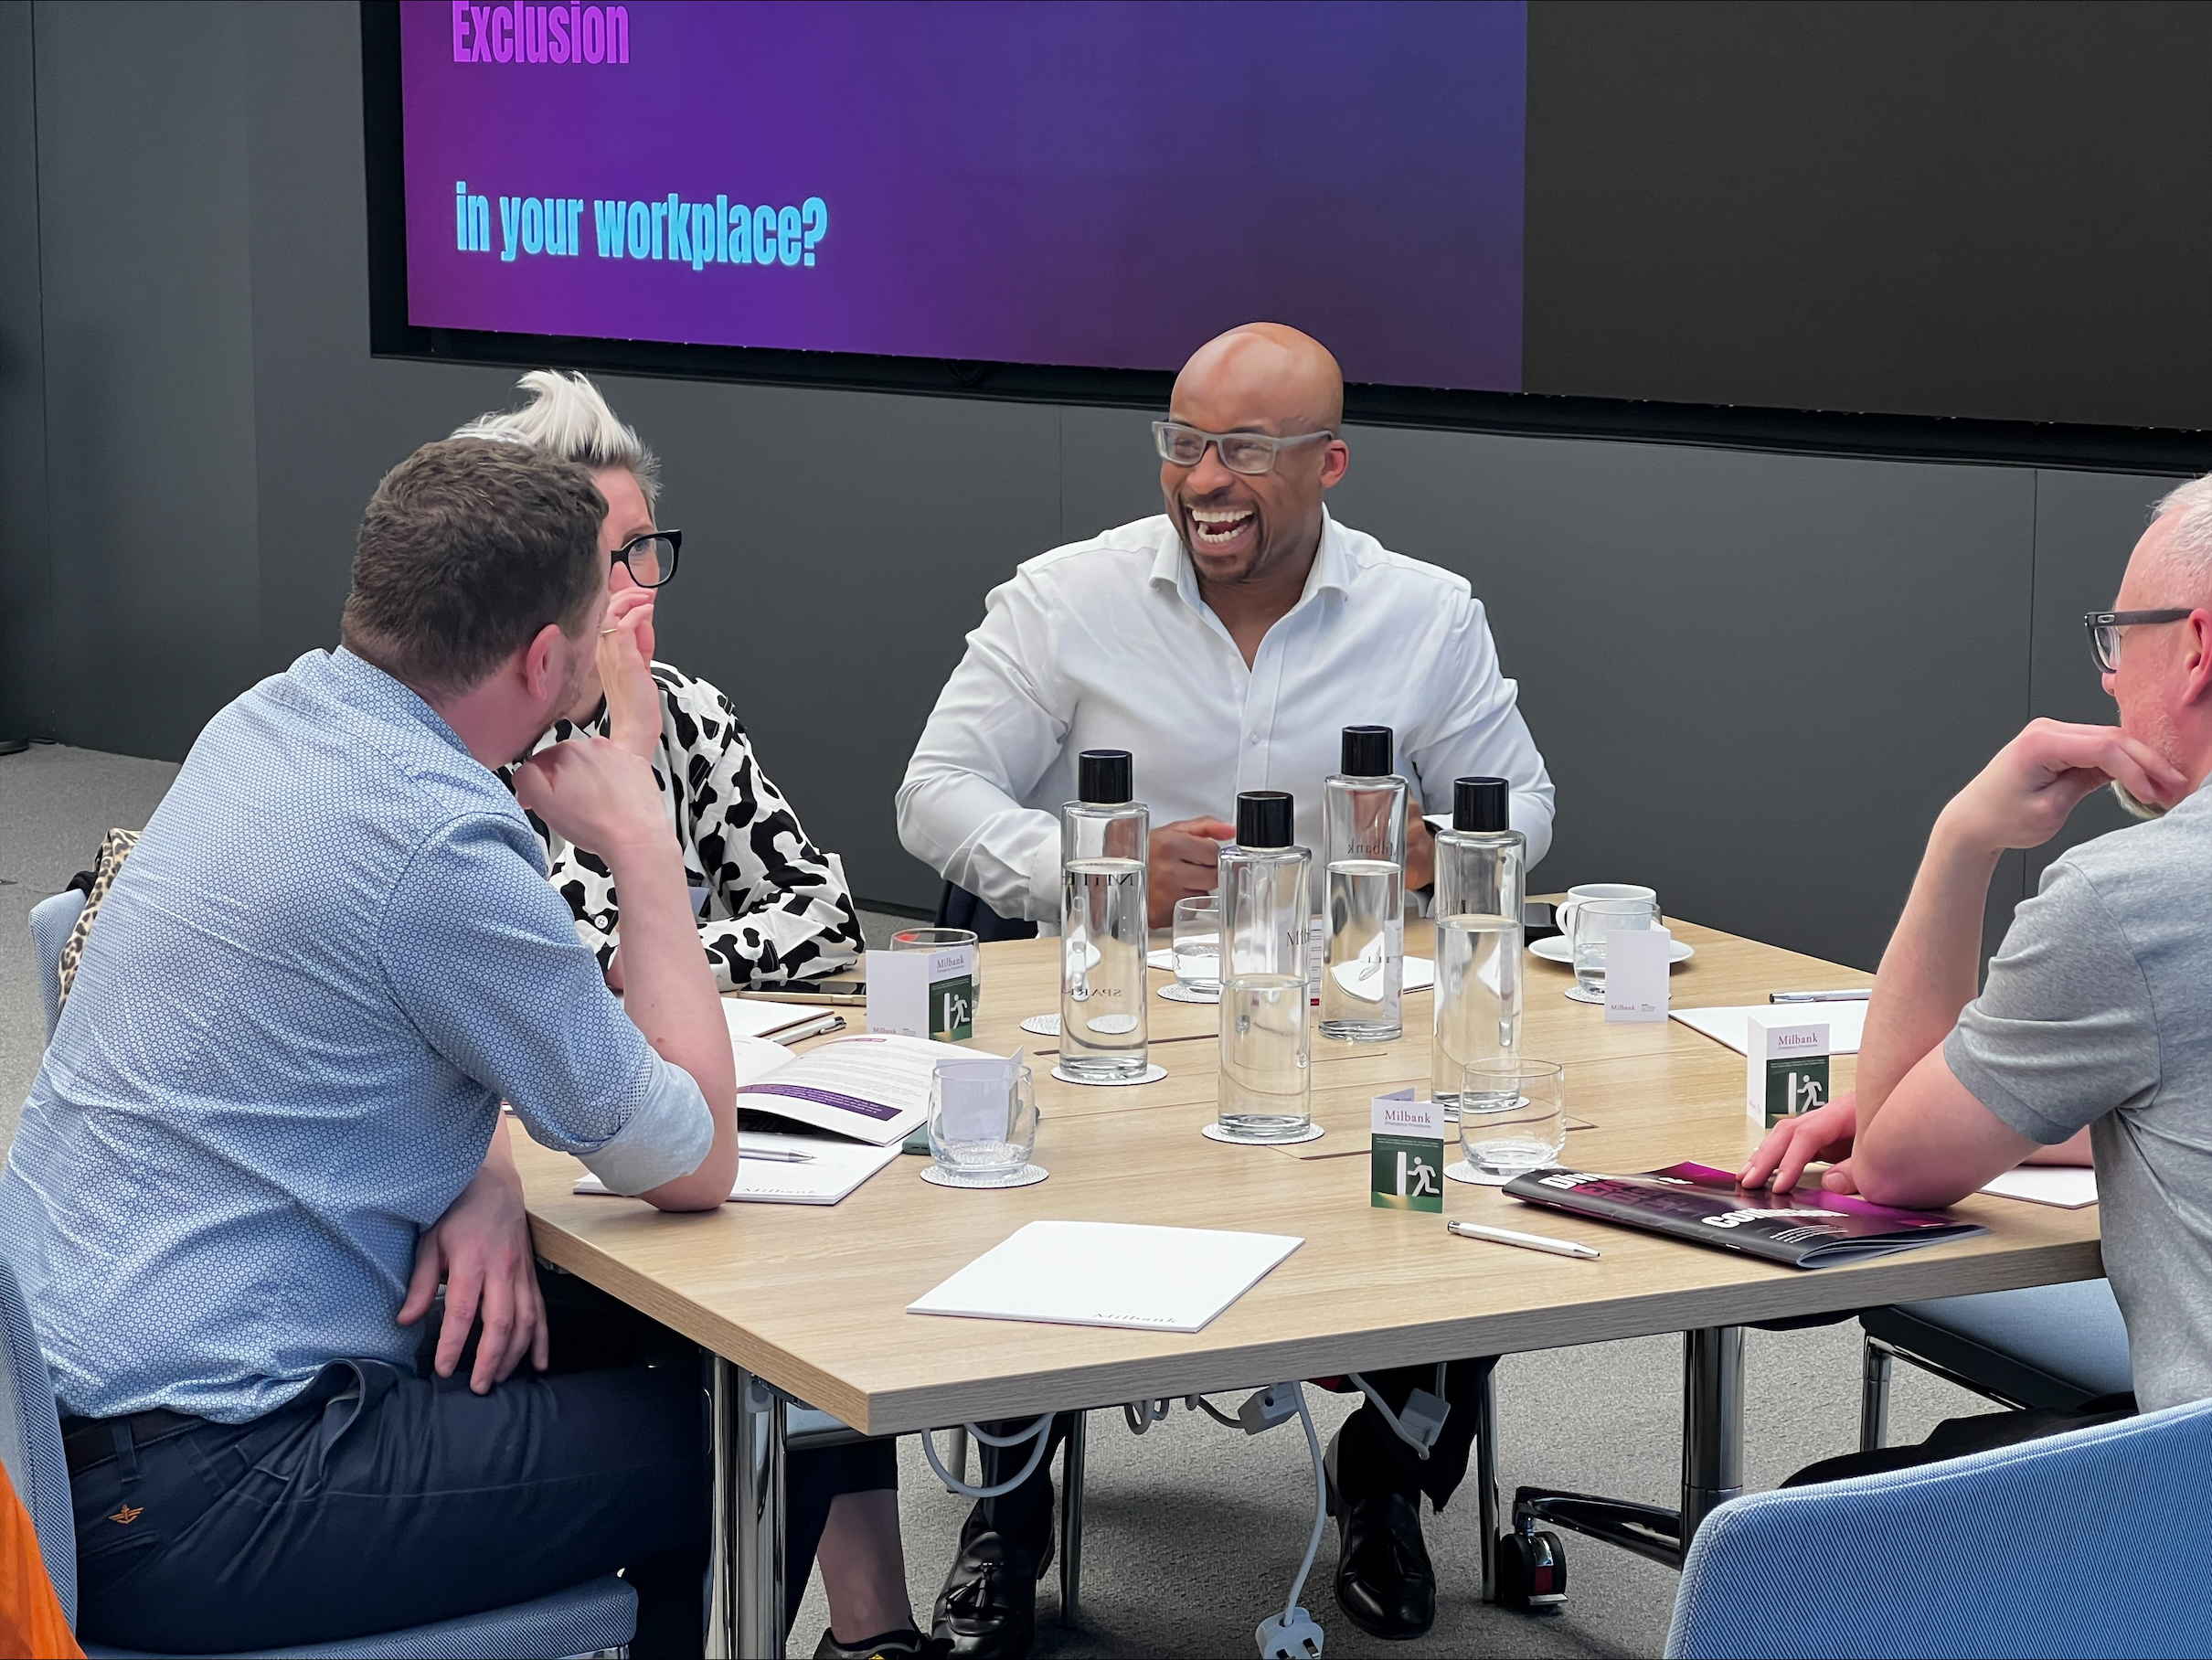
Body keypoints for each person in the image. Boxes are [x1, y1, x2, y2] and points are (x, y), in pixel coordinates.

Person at [0, 441, 925, 1660]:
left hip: (57, 1457)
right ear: (547, 657)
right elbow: (691, 1155)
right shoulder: (444, 841)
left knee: (676, 1358)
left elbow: (361, 1037)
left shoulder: (263, 721)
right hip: (213, 1494)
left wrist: (480, 1168)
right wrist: (643, 838)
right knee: (786, 1419)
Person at [897, 323, 1555, 1650]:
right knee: (1030, 1182)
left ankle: (1384, 1479)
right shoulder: (1065, 597)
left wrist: (1438, 850)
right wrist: (1098, 866)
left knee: (1469, 1168)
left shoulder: (1426, 613)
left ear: (1329, 464)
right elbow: (934, 794)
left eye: (1244, 450)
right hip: (1113, 1012)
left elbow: (1525, 802)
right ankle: (1007, 1516)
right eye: (1184, 443)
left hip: (1341, 1011)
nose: (1204, 476)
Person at [1742, 474, 2212, 1484]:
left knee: (1811, 1527)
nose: (2105, 679)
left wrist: (1962, 838)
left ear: (2195, 645)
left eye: (2118, 637)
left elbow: (1891, 1169)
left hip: (2193, 1509)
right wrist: (2037, 1116)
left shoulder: (2134, 898)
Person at [456, 371, 866, 991]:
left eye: (642, 547)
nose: (635, 586)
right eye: (599, 558)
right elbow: (535, 954)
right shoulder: (472, 732)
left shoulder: (681, 709)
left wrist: (645, 962)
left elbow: (824, 916)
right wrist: (629, 751)